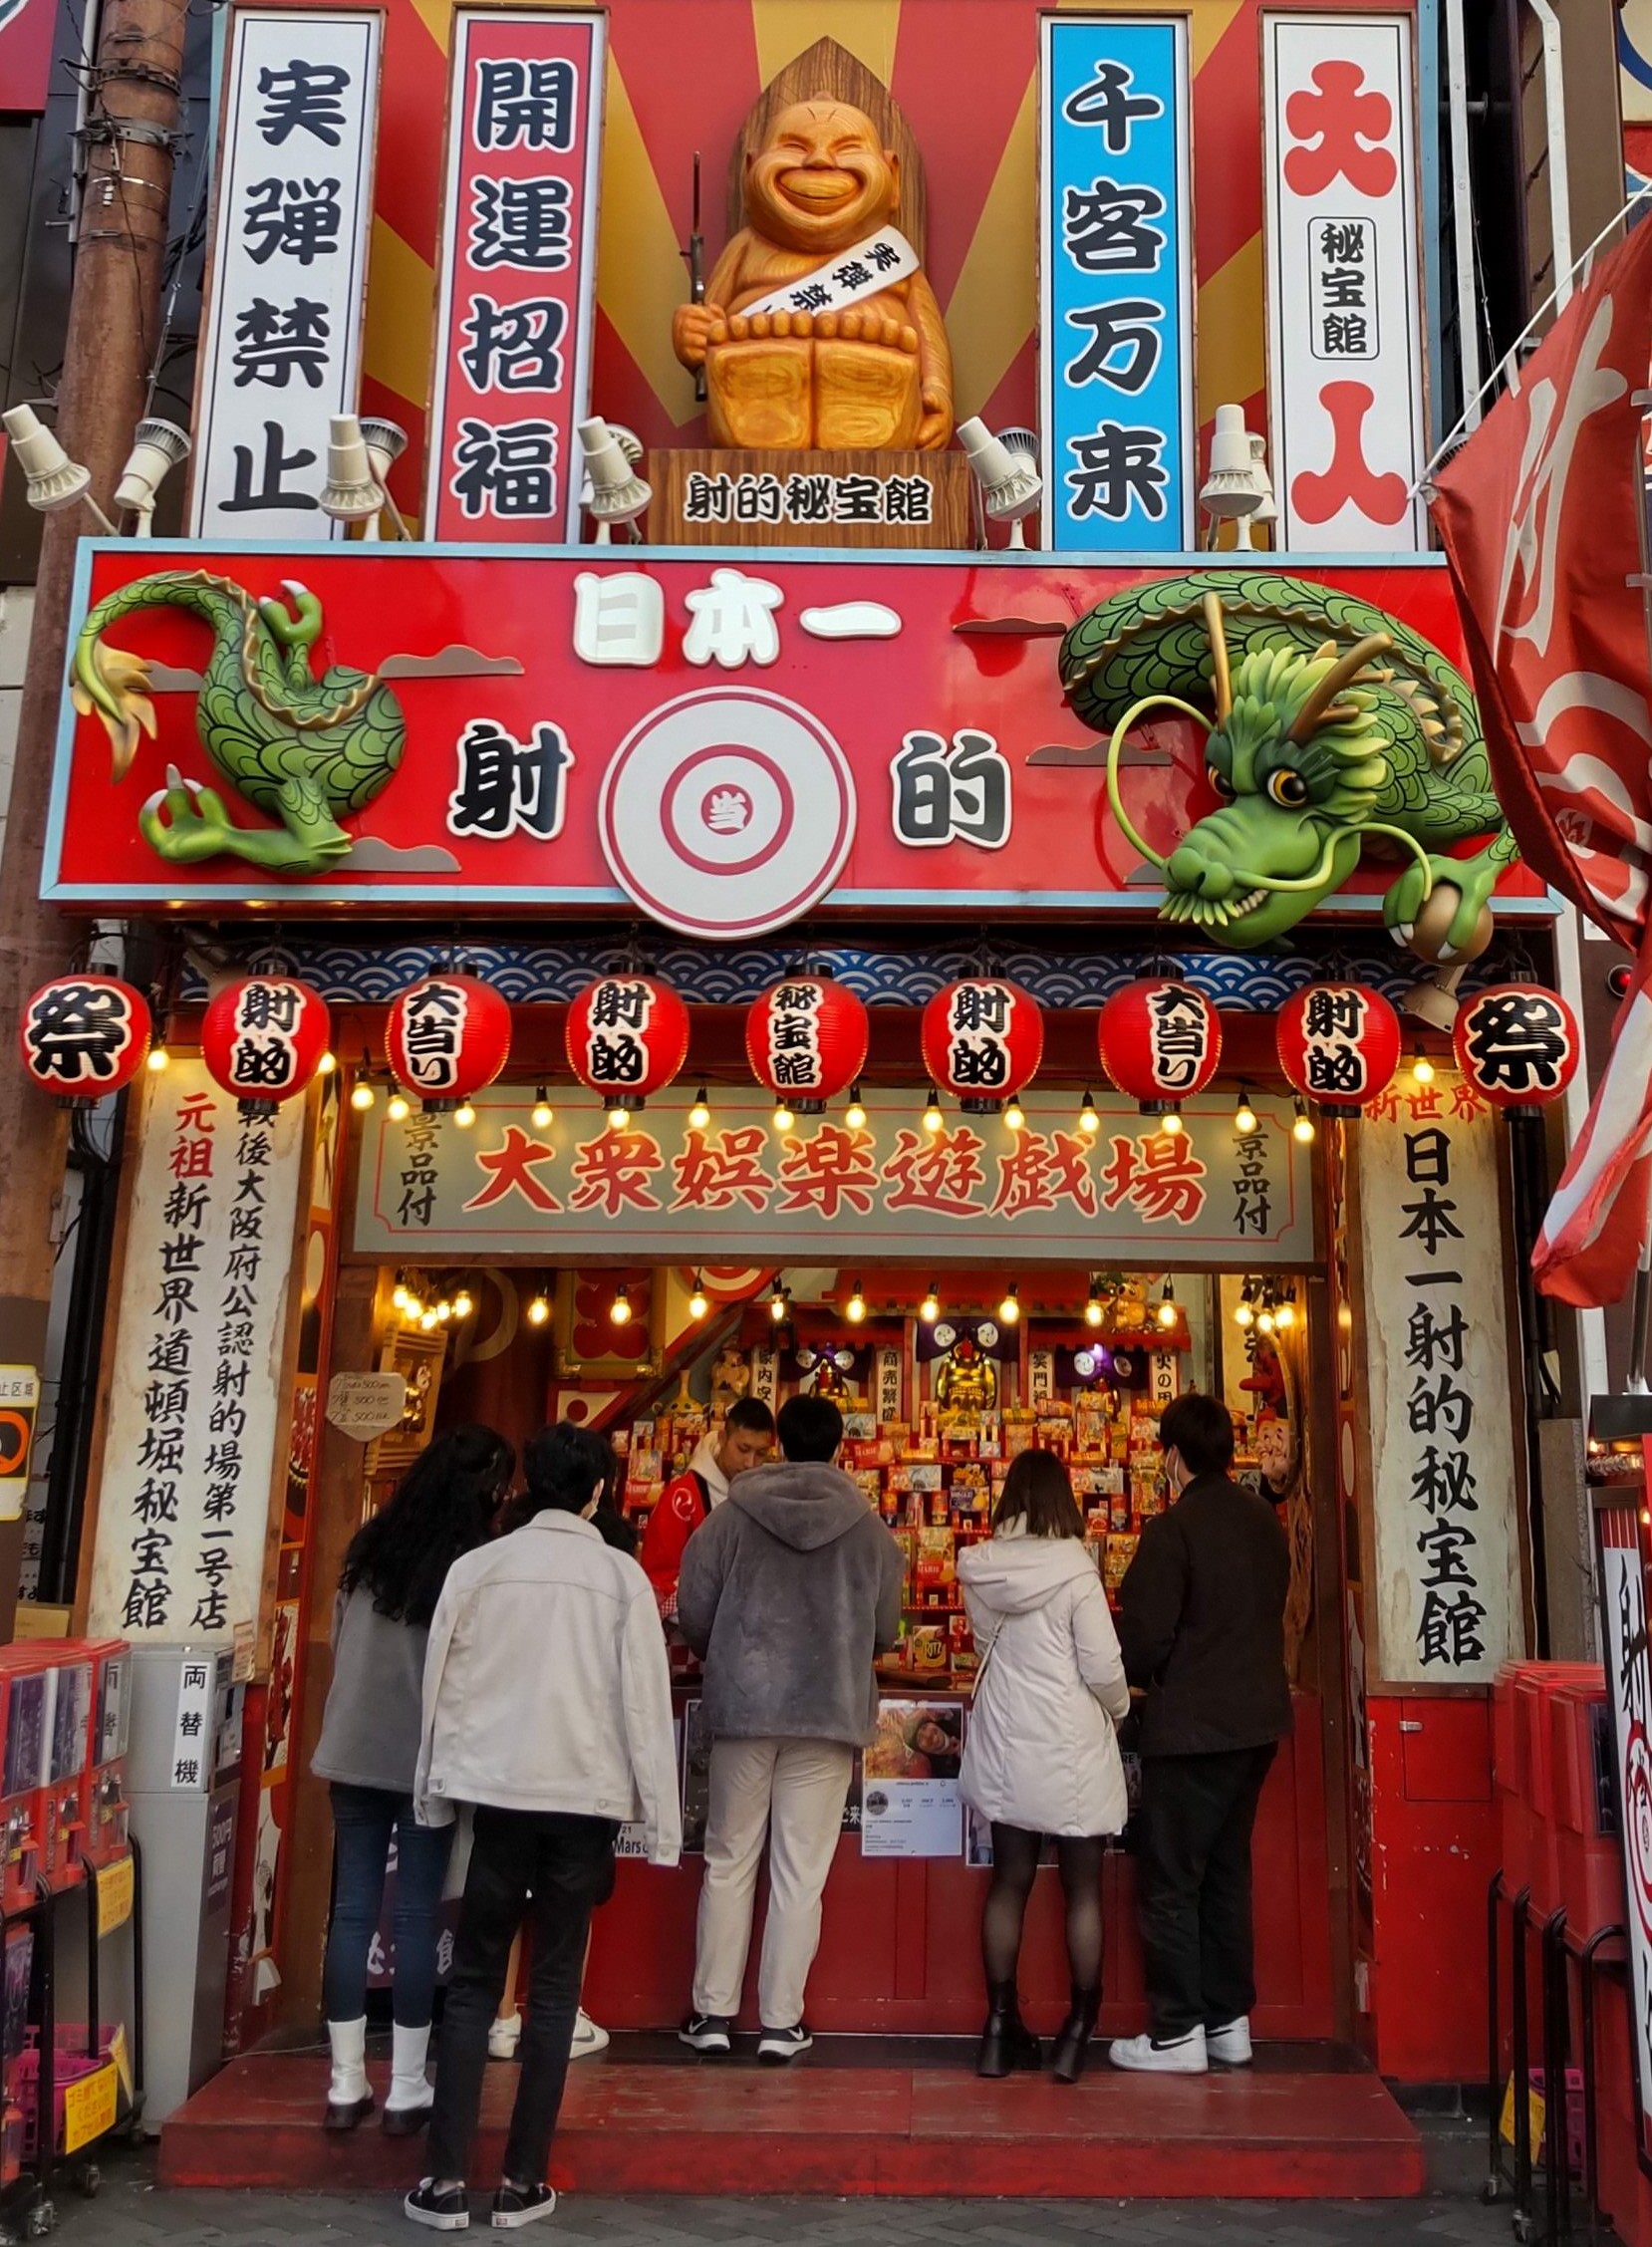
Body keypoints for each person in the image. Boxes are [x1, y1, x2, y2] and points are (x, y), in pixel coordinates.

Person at [408, 1423, 680, 2230]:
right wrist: (657, 1822)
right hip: (583, 1802)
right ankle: (523, 2180)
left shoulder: (479, 1568)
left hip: (497, 1796)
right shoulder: (621, 1579)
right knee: (554, 1988)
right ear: (597, 1492)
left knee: (474, 1986)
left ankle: (444, 2181)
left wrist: (433, 1791)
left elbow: (440, 1687)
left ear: (531, 1483)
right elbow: (644, 1707)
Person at [676, 1392, 904, 2063]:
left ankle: (713, 2014)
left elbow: (693, 1605)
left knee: (728, 1859)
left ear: (778, 1442)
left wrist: (723, 1651)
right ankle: (781, 2024)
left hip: (744, 1709)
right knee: (800, 1872)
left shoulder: (732, 1514)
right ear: (839, 1446)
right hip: (826, 1713)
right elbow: (887, 1628)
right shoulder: (868, 1527)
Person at [311, 1424, 514, 2135]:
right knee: (417, 1912)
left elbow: (341, 1637)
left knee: (352, 1909)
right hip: (421, 1759)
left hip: (349, 1746)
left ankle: (342, 2085)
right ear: (487, 1485)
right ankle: (404, 2087)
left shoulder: (370, 1545)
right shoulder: (470, 1564)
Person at [1109, 1390, 1291, 2077]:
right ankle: (1228, 2021)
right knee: (1225, 1873)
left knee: (1173, 1877)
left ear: (1173, 1454)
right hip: (1257, 1724)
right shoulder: (1261, 1521)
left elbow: (1142, 1639)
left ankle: (1176, 2028)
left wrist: (1124, 1679)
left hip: (1191, 1730)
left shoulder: (1173, 1531)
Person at [958, 1450, 1130, 2084]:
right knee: (1082, 1891)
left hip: (1008, 1741)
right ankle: (1077, 2035)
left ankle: (1000, 2028)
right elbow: (1104, 1668)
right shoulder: (1077, 1574)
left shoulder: (981, 1570)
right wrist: (1116, 1711)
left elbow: (986, 1649)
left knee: (1010, 1882)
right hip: (1071, 1749)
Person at [488, 1445, 639, 2068]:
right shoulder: (616, 1564)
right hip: (582, 1760)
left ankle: (500, 2020)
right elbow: (638, 1685)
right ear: (599, 1491)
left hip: (506, 1760)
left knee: (505, 1902)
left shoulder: (494, 1559)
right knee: (571, 1899)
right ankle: (562, 2014)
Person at [639, 1399, 775, 1617]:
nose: (750, 1463)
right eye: (743, 1449)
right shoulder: (682, 1498)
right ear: (722, 1438)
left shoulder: (764, 1498)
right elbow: (657, 1581)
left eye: (761, 1453)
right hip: (690, 1637)